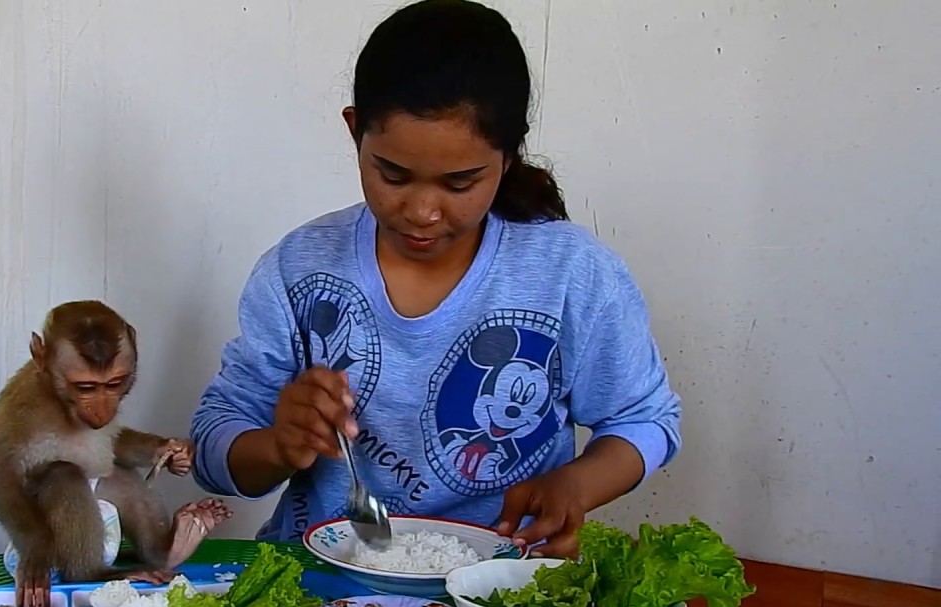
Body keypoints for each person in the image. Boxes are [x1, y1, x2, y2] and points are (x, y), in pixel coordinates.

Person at [188, 0, 681, 558]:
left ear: (507, 157)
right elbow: (213, 448)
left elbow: (645, 419)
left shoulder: (571, 273)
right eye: (393, 174)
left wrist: (576, 485)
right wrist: (279, 444)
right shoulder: (299, 269)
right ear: (355, 134)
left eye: (460, 183)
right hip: (318, 587)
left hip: (494, 589)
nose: (422, 211)